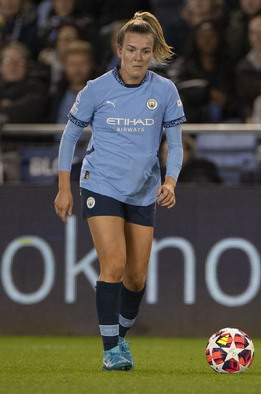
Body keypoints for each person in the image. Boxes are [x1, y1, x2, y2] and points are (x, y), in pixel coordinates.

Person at [53, 11, 185, 371]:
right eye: (131, 50)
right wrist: (64, 188)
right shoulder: (96, 89)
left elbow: (175, 144)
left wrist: (170, 181)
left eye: (145, 50)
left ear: (153, 52)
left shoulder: (165, 91)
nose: (138, 57)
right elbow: (69, 138)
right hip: (101, 183)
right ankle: (111, 351)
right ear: (118, 50)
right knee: (113, 264)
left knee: (136, 277)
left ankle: (120, 338)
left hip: (144, 190)